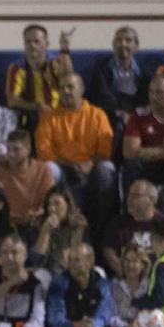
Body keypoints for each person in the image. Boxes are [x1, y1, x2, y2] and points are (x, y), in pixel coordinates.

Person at [36, 72, 117, 222]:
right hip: (64, 169)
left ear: (82, 89)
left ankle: (105, 224)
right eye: (61, 88)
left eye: (70, 87)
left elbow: (106, 151)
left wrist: (90, 163)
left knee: (106, 169)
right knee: (47, 168)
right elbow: (44, 153)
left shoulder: (98, 115)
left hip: (93, 167)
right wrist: (72, 165)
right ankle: (51, 224)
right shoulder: (49, 117)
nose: (65, 91)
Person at [0, 130, 56, 227]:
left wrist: (37, 214)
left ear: (28, 149)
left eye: (16, 150)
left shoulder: (43, 170)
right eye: (8, 149)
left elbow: (49, 200)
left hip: (35, 223)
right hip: (5, 224)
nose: (10, 154)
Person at [45, 243, 115, 327]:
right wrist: (76, 326)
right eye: (70, 260)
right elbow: (55, 320)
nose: (71, 264)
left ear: (89, 262)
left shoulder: (101, 284)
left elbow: (104, 314)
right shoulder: (59, 284)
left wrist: (94, 324)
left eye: (77, 260)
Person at [84, 26, 146, 116]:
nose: (123, 44)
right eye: (119, 40)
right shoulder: (99, 70)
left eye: (128, 40)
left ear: (136, 45)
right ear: (113, 45)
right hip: (109, 117)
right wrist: (119, 113)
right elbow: (100, 99)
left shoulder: (145, 73)